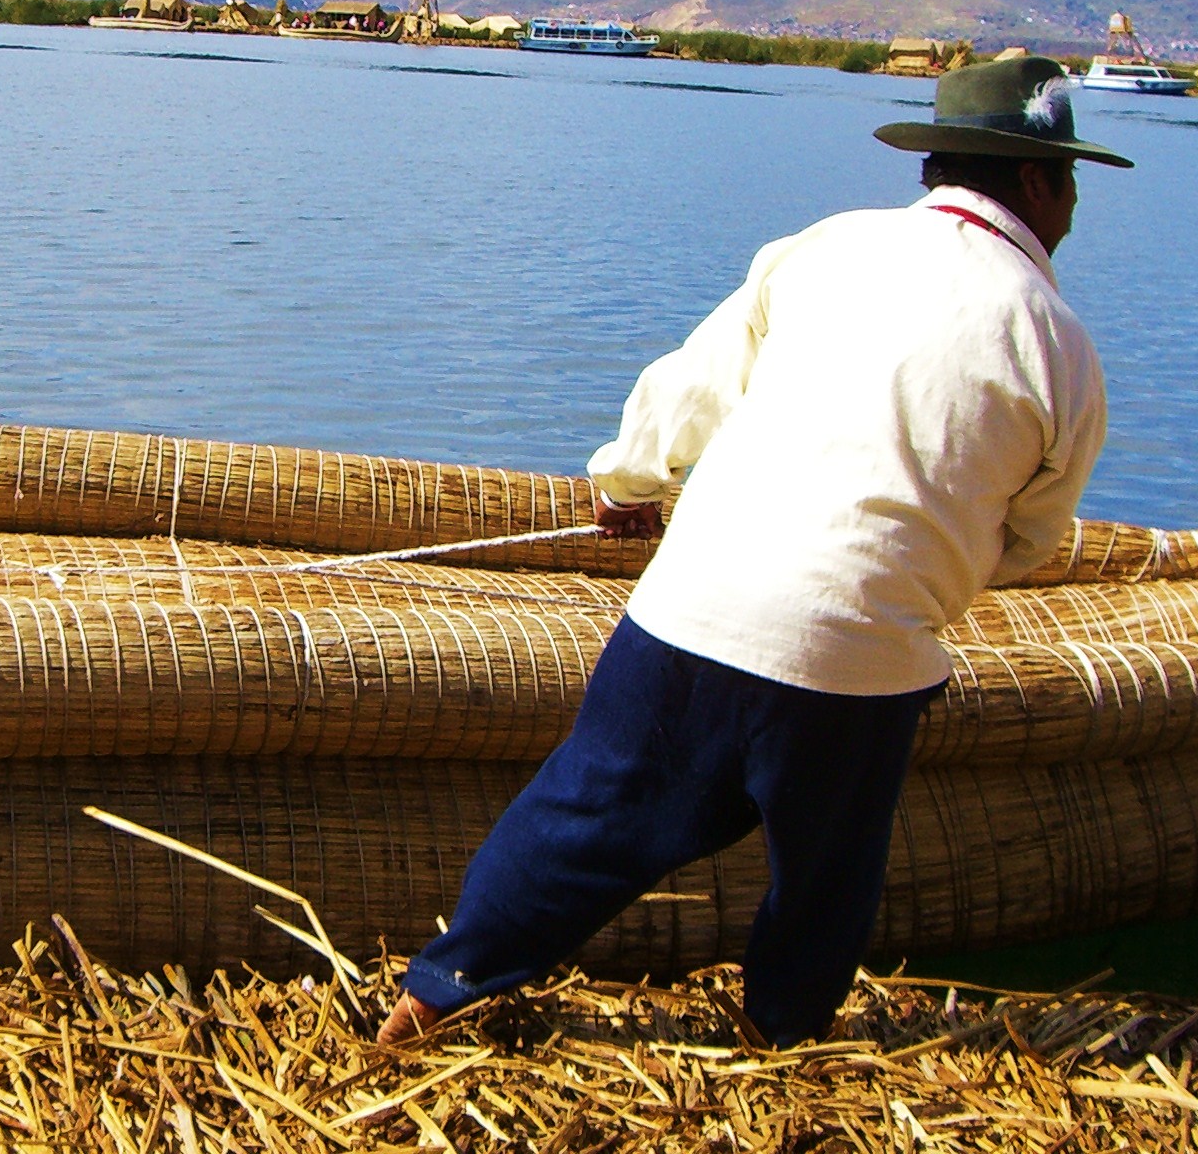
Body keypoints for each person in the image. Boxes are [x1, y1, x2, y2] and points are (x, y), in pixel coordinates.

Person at [377, 56, 1130, 1048]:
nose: (1073, 203)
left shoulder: (825, 248)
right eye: (1067, 178)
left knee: (583, 813)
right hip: (857, 661)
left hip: (692, 603)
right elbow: (1024, 540)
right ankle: (780, 1041)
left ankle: (434, 992)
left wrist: (626, 483)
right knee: (824, 875)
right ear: (1034, 181)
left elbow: (695, 384)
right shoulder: (1058, 346)